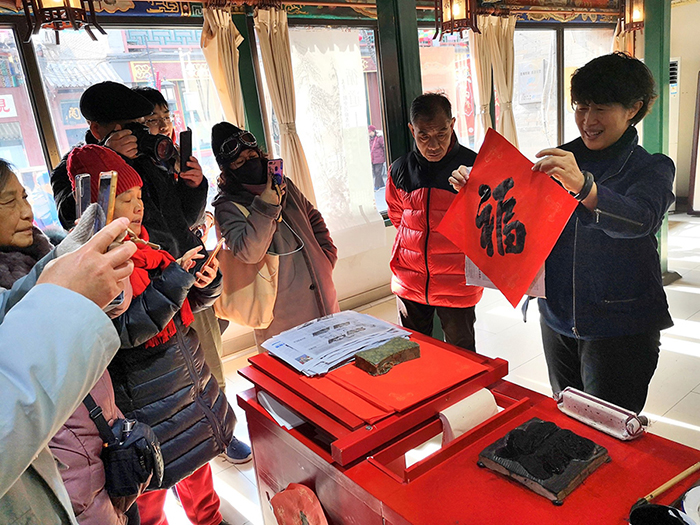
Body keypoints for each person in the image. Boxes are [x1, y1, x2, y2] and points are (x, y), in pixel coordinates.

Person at [450, 52, 674, 413]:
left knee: (607, 424)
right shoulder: (560, 158)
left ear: (633, 108)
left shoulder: (651, 168)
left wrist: (586, 189)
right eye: (581, 107)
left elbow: (641, 220)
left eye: (600, 108)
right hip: (557, 318)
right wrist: (477, 188)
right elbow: (520, 214)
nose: (587, 120)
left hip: (620, 327)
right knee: (567, 415)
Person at [67, 145, 235, 525]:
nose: (138, 206)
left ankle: (209, 519)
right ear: (98, 207)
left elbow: (180, 305)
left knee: (197, 465)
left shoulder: (149, 243)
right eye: (126, 199)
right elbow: (125, 331)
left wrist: (203, 283)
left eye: (139, 196)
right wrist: (175, 281)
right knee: (149, 485)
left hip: (185, 381)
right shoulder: (92, 265)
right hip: (142, 398)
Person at [0, 161, 136, 524]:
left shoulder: (43, 249)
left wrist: (67, 266)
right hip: (59, 439)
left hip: (96, 418)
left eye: (25, 197)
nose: (26, 211)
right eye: (9, 201)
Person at [133, 87, 251, 465]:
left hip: (191, 272)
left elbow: (189, 219)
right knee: (177, 373)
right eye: (152, 120)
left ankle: (222, 433)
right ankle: (199, 439)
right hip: (155, 284)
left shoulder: (171, 160)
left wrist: (195, 185)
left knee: (210, 357)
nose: (162, 125)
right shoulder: (131, 165)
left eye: (165, 117)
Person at [211, 122, 340, 347]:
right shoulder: (228, 206)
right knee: (292, 365)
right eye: (240, 162)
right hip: (280, 309)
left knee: (336, 355)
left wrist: (326, 256)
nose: (249, 163)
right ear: (228, 169)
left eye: (252, 156)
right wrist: (266, 205)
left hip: (322, 291)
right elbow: (249, 253)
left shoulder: (284, 184)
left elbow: (313, 217)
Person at [51, 81, 208, 259]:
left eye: (141, 125)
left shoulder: (147, 156)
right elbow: (69, 218)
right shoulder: (71, 167)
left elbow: (185, 218)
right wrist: (108, 158)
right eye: (129, 127)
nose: (138, 133)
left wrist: (192, 187)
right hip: (144, 269)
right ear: (96, 129)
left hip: (190, 260)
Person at [386, 93, 483, 351]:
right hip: (411, 279)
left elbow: (486, 222)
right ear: (412, 130)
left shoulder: (474, 167)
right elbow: (397, 216)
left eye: (441, 134)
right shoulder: (400, 169)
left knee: (462, 355)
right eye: (424, 136)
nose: (433, 145)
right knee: (413, 353)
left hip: (457, 283)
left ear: (452, 125)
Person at [368, 125, 386, 190]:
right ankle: (382, 184)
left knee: (378, 171)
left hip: (379, 158)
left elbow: (384, 146)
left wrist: (384, 156)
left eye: (370, 132)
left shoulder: (379, 138)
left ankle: (377, 186)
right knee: (375, 172)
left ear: (373, 131)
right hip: (373, 158)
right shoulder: (370, 139)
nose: (369, 133)